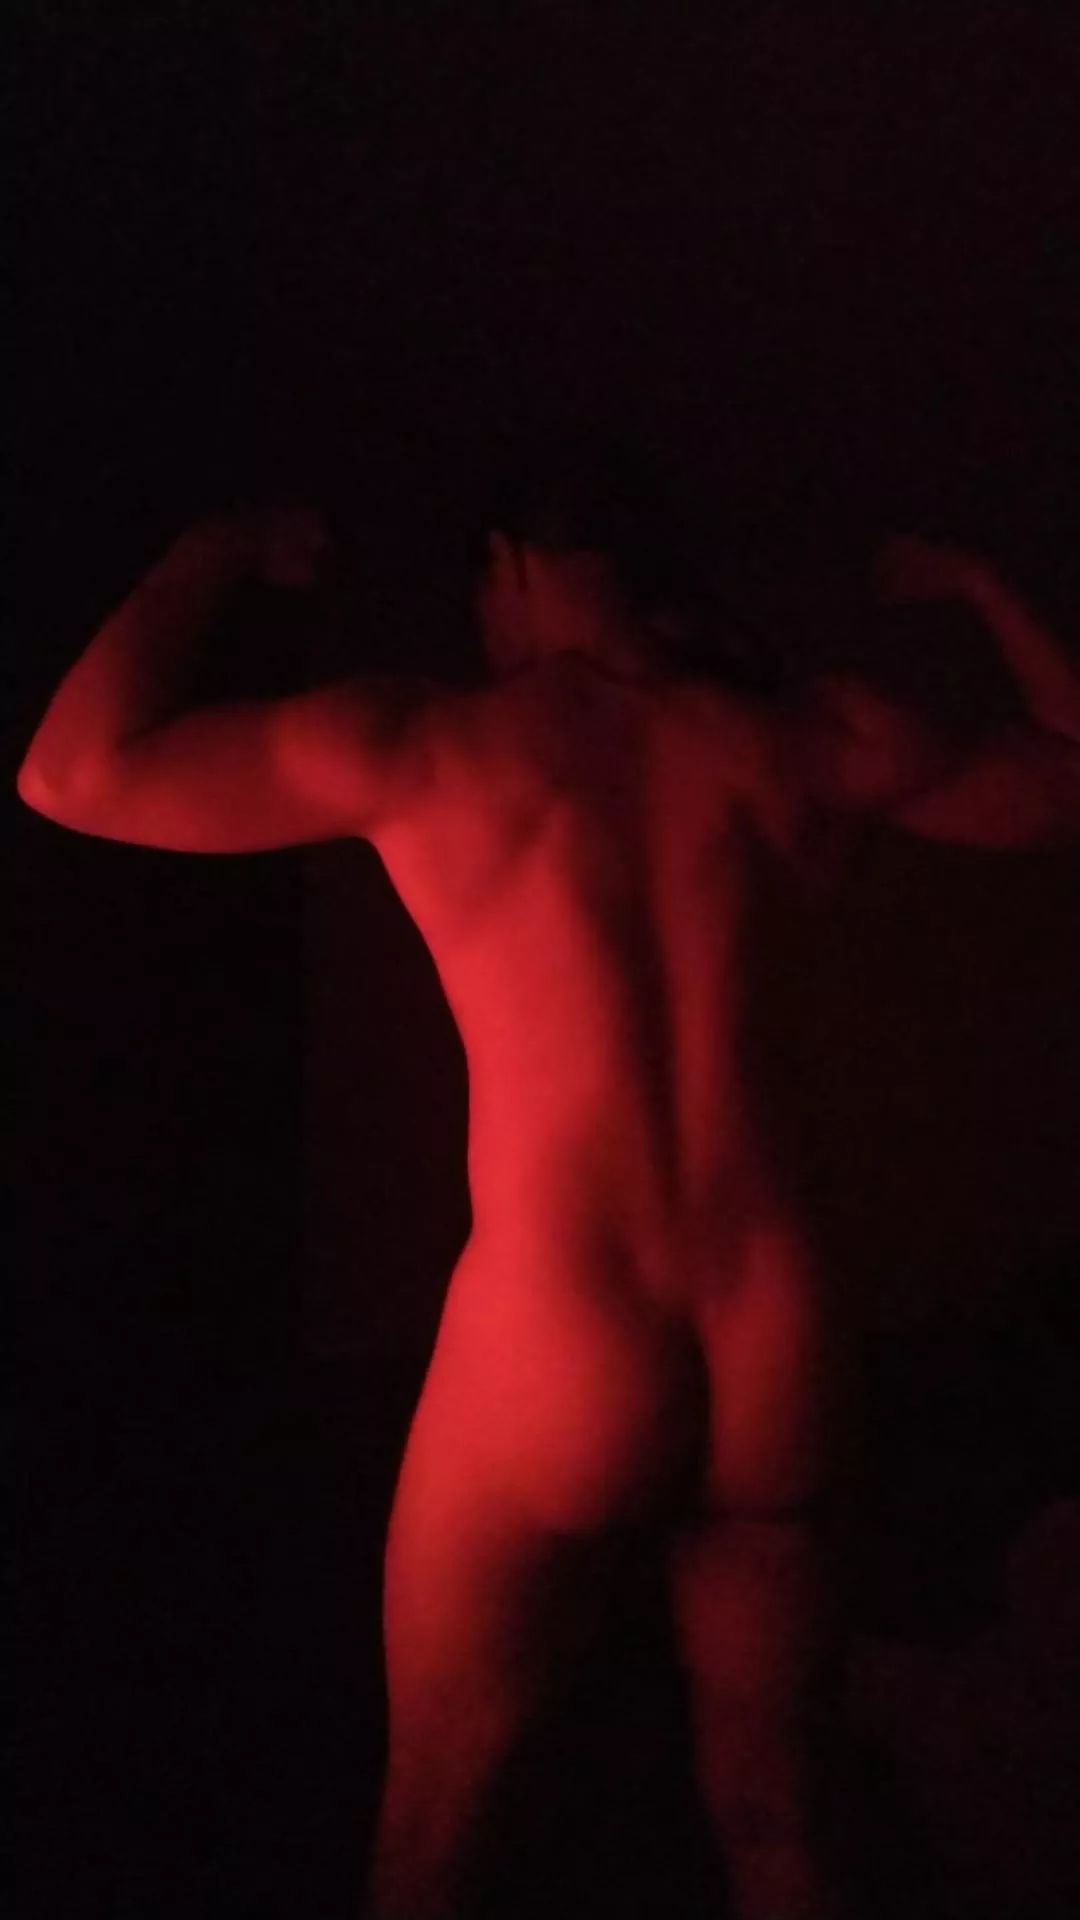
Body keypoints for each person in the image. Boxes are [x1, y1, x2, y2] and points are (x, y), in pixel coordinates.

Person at [17, 438, 1080, 1920]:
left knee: (441, 1832)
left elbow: (71, 774)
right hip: (780, 1341)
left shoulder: (429, 740)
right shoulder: (805, 739)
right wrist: (979, 586)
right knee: (784, 1819)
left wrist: (211, 555)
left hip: (565, 1336)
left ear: (510, 570)